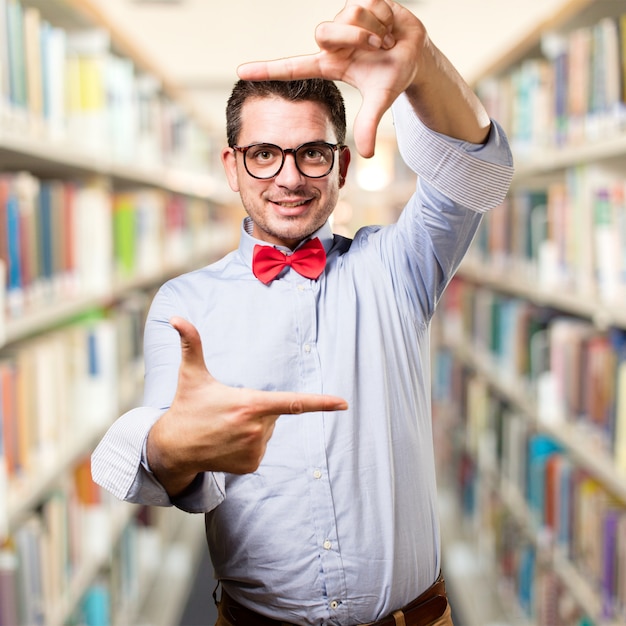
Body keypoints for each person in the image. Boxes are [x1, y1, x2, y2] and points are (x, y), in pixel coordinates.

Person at [92, 1, 514, 624]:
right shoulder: (184, 304)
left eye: (313, 153)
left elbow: (474, 176)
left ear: (342, 165)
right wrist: (175, 445)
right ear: (232, 166)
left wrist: (423, 68)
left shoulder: (397, 266)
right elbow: (167, 454)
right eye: (263, 153)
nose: (289, 177)